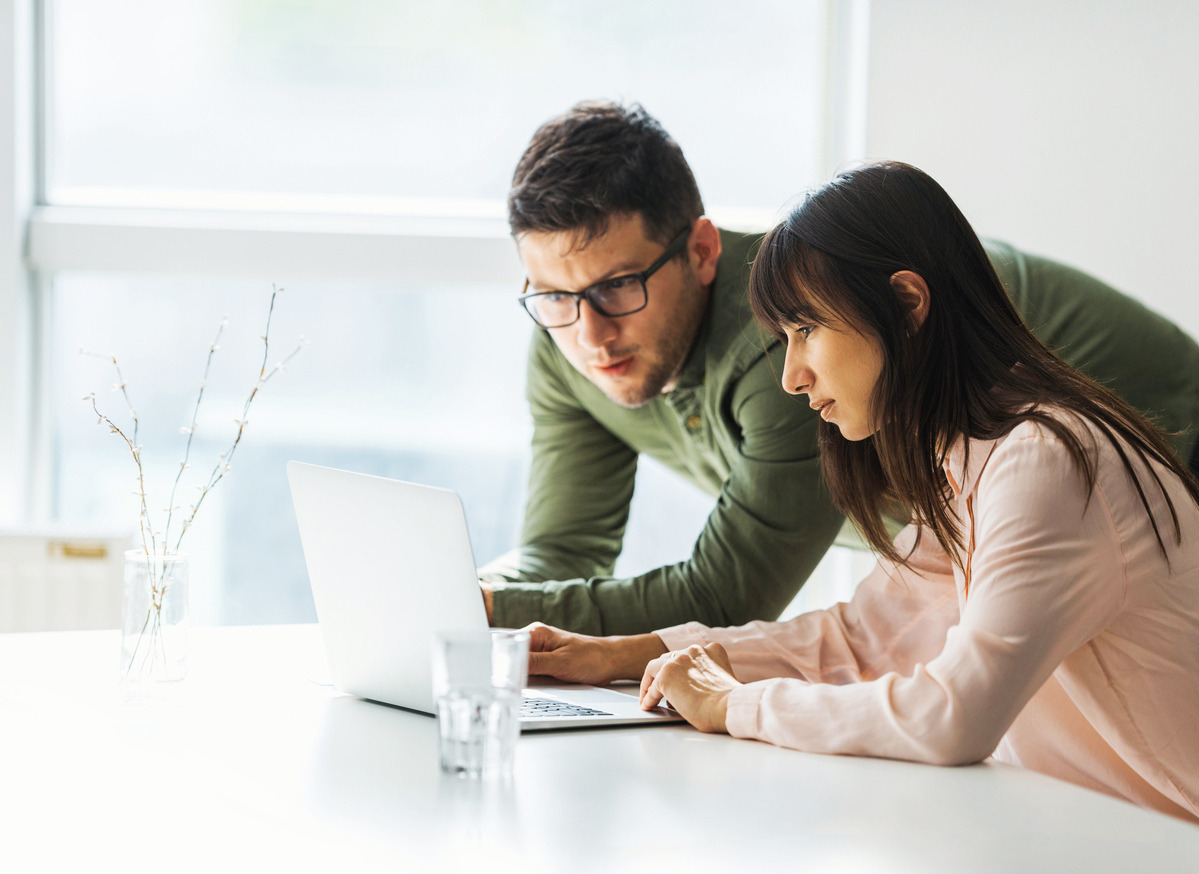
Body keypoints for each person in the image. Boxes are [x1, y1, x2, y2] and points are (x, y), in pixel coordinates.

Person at [523, 161, 1199, 823]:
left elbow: (951, 716)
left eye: (806, 329)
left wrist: (731, 704)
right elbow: (860, 640)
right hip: (1092, 830)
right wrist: (635, 653)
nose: (790, 374)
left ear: (905, 306)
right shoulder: (976, 457)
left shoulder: (1044, 461)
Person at [480, 100, 1199, 638]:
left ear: (701, 251)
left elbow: (724, 600)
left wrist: (475, 610)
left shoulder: (782, 342)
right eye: (554, 297)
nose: (590, 334)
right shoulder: (565, 340)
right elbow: (563, 550)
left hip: (1174, 461)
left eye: (615, 287)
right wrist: (453, 595)